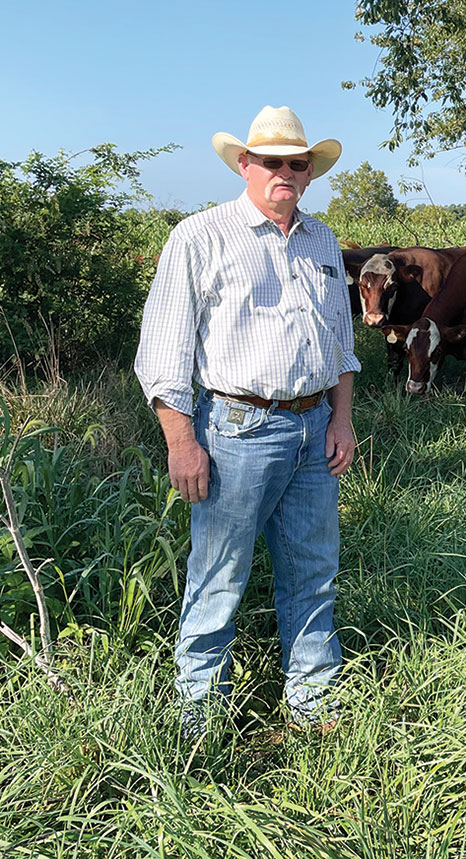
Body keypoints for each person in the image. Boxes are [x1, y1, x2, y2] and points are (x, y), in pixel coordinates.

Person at [135, 105, 360, 739]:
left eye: (298, 163)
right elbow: (164, 352)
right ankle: (199, 715)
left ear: (310, 174)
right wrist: (182, 441)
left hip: (314, 427)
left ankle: (315, 705)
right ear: (245, 165)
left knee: (313, 569)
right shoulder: (199, 237)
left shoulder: (321, 241)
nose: (285, 172)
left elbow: (341, 345)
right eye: (271, 161)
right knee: (219, 573)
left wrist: (340, 420)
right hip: (236, 429)